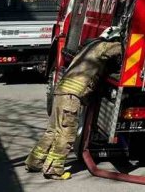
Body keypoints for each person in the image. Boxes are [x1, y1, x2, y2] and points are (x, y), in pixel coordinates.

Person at [25, 26, 124, 180]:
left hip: (60, 93)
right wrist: (125, 42)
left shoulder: (88, 48)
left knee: (52, 131)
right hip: (71, 98)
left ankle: (33, 162)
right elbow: (120, 49)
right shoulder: (103, 46)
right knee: (66, 133)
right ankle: (53, 169)